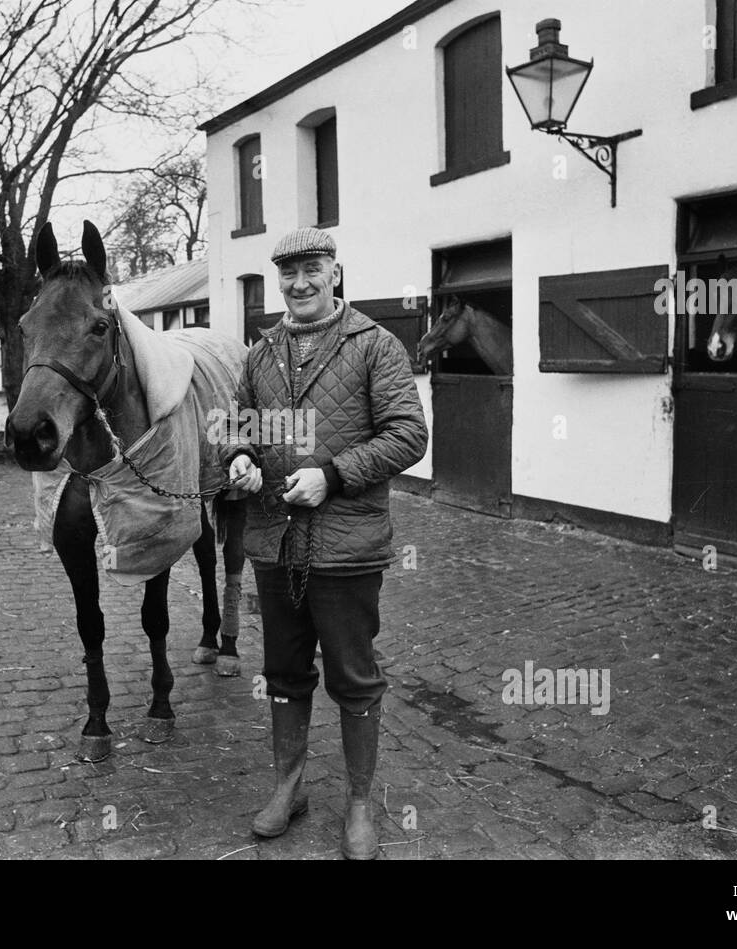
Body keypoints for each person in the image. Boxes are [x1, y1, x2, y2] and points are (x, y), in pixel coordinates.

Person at [223, 226, 428, 859]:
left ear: (335, 273)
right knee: (284, 671)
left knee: (353, 675)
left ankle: (361, 803)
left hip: (347, 546)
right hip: (275, 544)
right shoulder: (260, 353)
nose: (300, 283)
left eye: (312, 269)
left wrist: (332, 476)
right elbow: (238, 427)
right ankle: (290, 785)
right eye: (288, 273)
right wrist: (241, 459)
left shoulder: (375, 345)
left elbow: (407, 434)